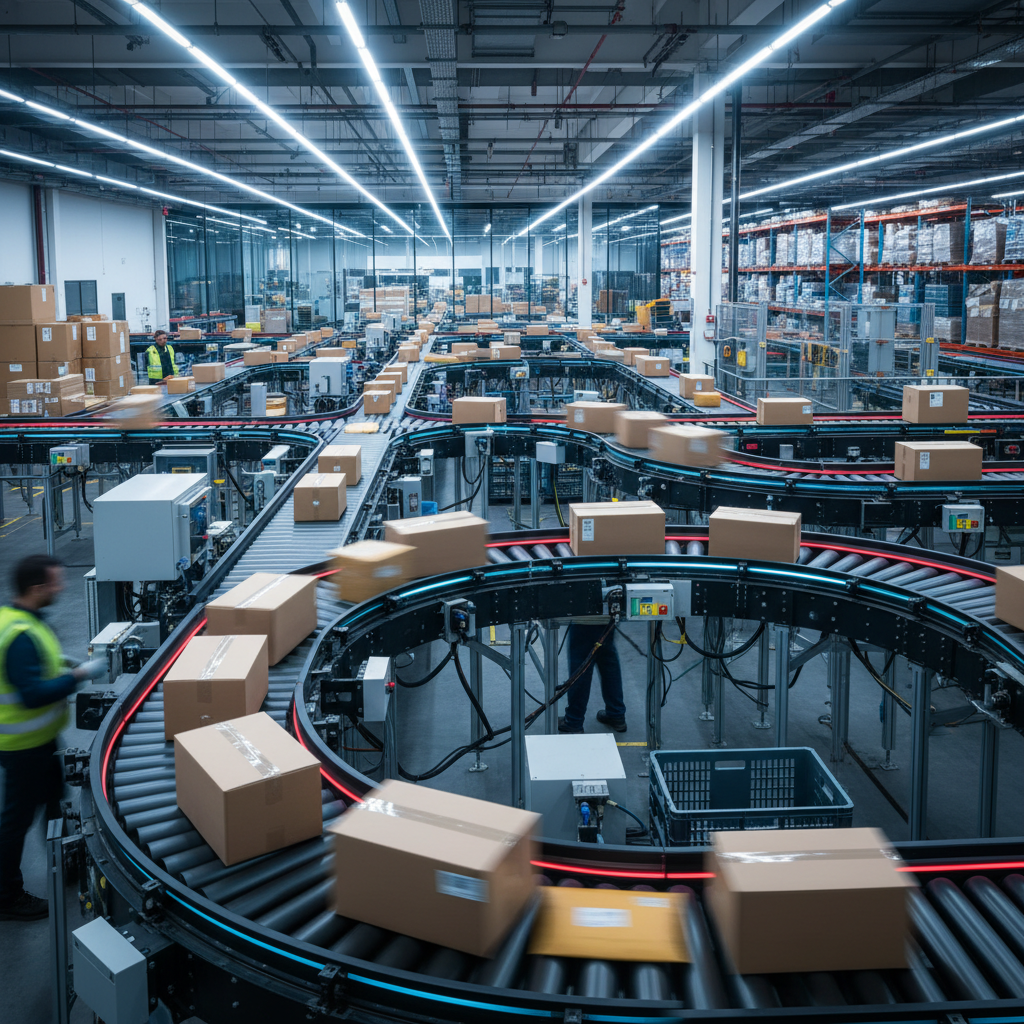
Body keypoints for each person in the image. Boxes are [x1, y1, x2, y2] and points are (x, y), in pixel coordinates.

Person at [0, 555, 103, 921]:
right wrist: (80, 676)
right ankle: (6, 895)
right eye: (54, 584)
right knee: (16, 820)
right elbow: (31, 694)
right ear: (36, 589)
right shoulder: (20, 635)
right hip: (21, 745)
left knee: (55, 801)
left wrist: (61, 662)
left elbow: (34, 663)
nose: (60, 589)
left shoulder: (19, 619)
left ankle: (67, 861)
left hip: (40, 741)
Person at [558, 623, 627, 734]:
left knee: (581, 662)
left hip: (585, 616)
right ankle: (616, 714)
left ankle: (573, 720)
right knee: (607, 659)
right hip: (608, 615)